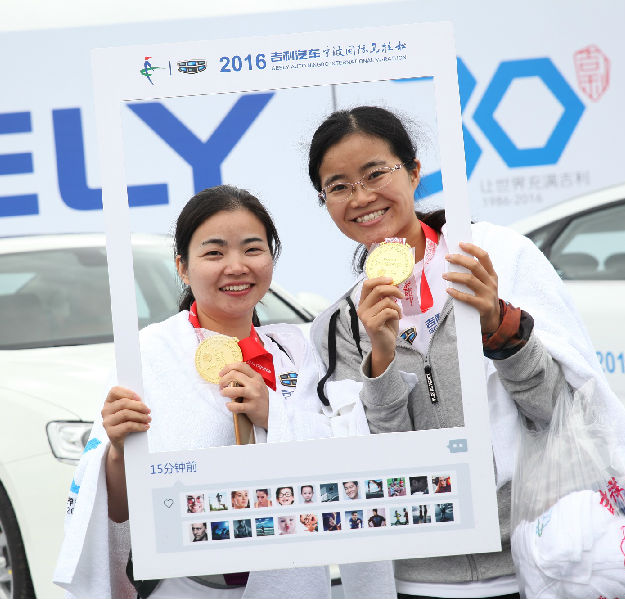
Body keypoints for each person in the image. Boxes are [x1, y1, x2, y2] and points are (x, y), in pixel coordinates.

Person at [306, 106, 625, 598]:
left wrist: (499, 325)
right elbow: (383, 469)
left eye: (375, 173)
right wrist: (381, 359)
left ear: (413, 171)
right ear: (325, 202)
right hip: (421, 578)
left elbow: (560, 410)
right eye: (338, 186)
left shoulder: (496, 259)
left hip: (539, 558)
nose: (361, 197)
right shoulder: (342, 324)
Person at [54, 185, 395, 599]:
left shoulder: (297, 351)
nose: (236, 267)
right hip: (185, 588)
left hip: (290, 582)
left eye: (252, 249)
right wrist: (118, 451)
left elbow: (347, 458)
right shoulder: (147, 354)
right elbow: (119, 508)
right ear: (182, 267)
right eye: (214, 253)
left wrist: (271, 413)